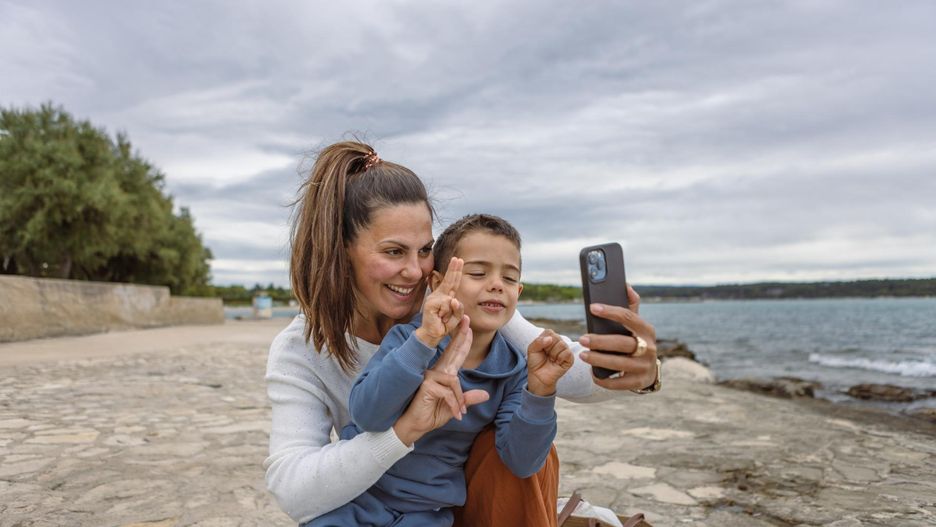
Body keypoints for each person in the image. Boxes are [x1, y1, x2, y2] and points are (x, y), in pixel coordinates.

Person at [264, 141, 661, 526]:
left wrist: (642, 368)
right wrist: (406, 429)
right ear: (340, 251)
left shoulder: (461, 308)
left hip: (442, 505)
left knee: (519, 446)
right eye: (393, 252)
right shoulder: (303, 348)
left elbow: (571, 372)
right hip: (368, 499)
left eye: (424, 250)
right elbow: (295, 491)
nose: (416, 272)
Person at [305, 214, 574, 526]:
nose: (497, 285)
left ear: (519, 293)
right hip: (357, 496)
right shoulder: (410, 339)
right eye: (477, 272)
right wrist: (424, 343)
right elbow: (368, 415)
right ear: (438, 284)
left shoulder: (514, 371)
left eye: (510, 278)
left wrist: (541, 392)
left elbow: (523, 462)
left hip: (426, 512)